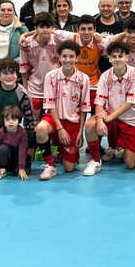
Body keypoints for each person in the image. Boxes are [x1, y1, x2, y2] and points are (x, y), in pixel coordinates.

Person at [83, 42, 135, 176]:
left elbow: (130, 103)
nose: (117, 59)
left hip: (131, 120)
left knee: (130, 164)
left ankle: (121, 147)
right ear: (109, 58)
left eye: (121, 56)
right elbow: (99, 101)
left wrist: (109, 117)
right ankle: (95, 160)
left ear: (127, 57)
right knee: (90, 124)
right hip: (110, 116)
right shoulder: (105, 76)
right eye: (114, 56)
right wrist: (100, 120)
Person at [35, 41, 89, 179]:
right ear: (59, 57)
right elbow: (50, 104)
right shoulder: (50, 76)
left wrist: (80, 132)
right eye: (64, 56)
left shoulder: (84, 79)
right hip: (54, 119)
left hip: (73, 122)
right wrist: (60, 128)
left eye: (71, 56)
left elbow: (84, 109)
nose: (68, 60)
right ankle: (50, 165)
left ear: (77, 58)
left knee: (69, 168)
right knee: (40, 128)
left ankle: (62, 153)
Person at [19, 12, 70, 120]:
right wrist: (25, 91)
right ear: (35, 27)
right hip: (34, 89)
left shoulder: (58, 40)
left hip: (55, 88)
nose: (45, 30)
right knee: (33, 120)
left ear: (52, 28)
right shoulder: (26, 44)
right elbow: (24, 70)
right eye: (42, 27)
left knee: (53, 120)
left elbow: (77, 37)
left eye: (48, 27)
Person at [0, 105, 30, 181]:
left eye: (14, 119)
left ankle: (19, 167)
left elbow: (22, 151)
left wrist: (21, 168)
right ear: (3, 121)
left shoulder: (22, 133)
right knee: (3, 148)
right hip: (7, 156)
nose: (11, 122)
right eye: (7, 119)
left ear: (19, 120)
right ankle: (3, 167)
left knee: (25, 172)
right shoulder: (0, 132)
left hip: (17, 156)